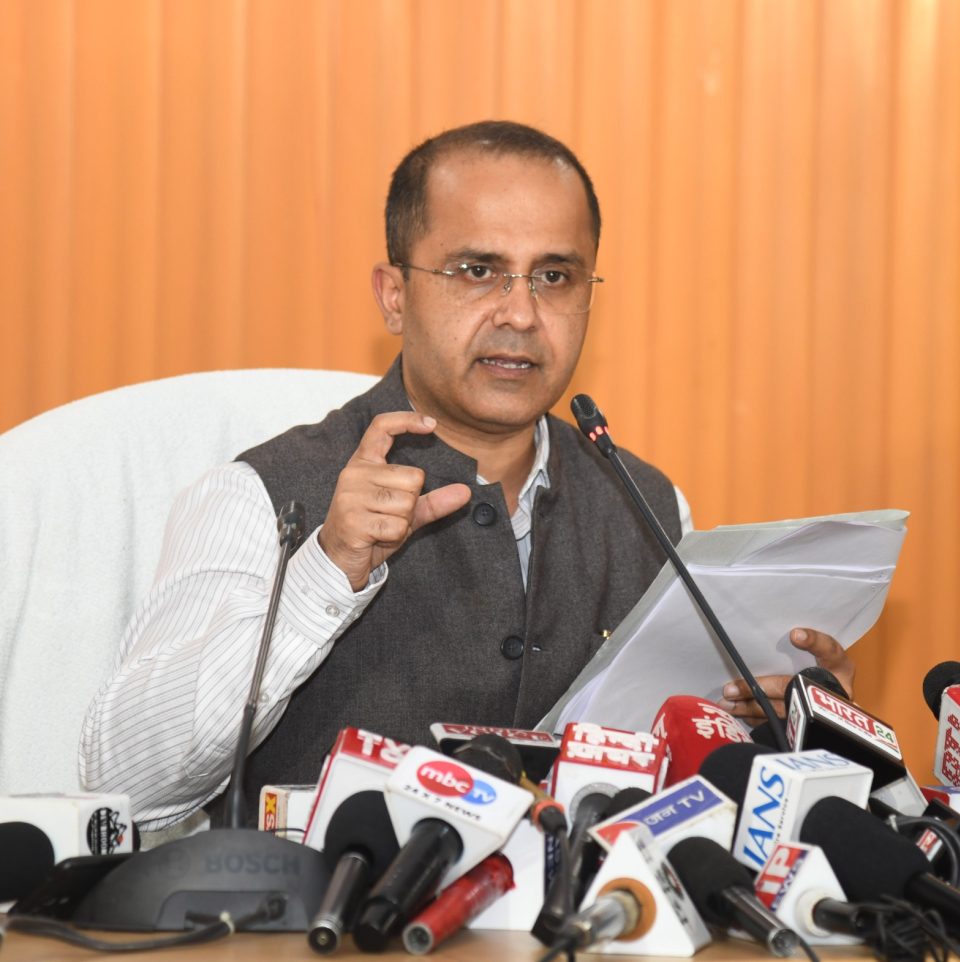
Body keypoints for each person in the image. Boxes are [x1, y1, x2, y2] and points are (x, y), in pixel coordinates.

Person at [80, 121, 853, 830]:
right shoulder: (262, 495)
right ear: (394, 296)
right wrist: (326, 571)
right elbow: (125, 784)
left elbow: (691, 795)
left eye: (555, 277)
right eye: (478, 270)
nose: (520, 313)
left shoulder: (649, 507)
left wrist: (801, 721)